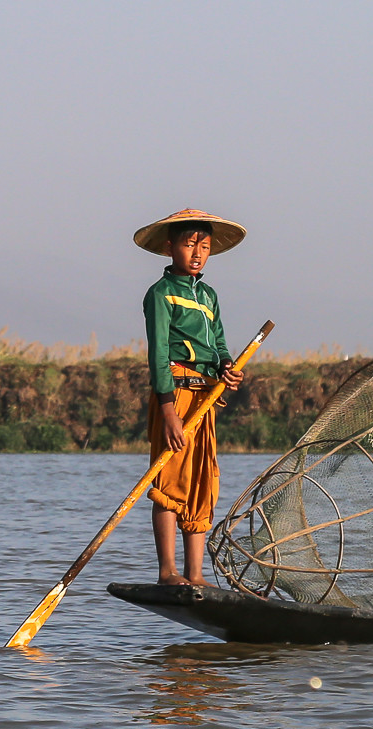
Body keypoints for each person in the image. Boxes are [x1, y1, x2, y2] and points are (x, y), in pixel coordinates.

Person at [134, 208, 247, 586]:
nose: (197, 253)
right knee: (170, 480)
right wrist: (168, 413)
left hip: (205, 399)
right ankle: (168, 571)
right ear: (170, 248)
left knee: (202, 482)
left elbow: (218, 345)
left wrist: (227, 369)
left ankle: (195, 575)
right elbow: (159, 356)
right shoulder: (161, 294)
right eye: (189, 244)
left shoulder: (210, 296)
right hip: (176, 397)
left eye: (204, 246)